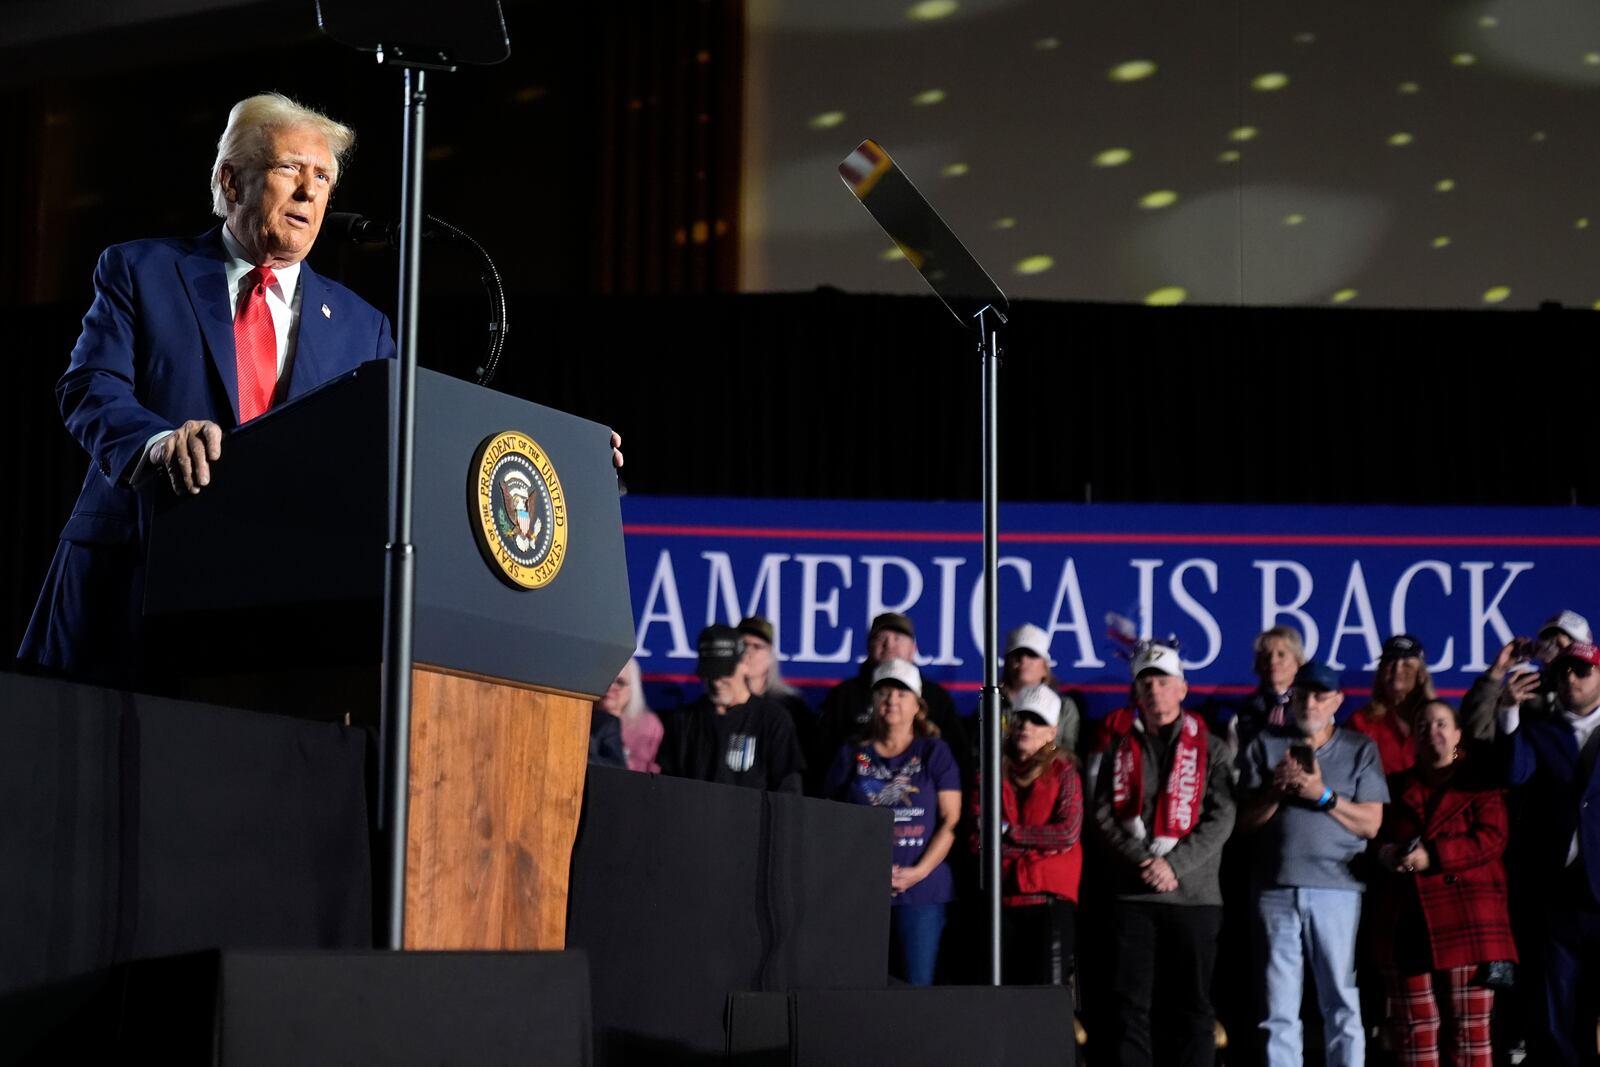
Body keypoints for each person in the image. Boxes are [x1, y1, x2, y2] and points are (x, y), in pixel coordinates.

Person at [16, 93, 394, 688]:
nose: (309, 191)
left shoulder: (361, 325)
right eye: (290, 168)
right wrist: (156, 444)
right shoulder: (142, 270)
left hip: (281, 618)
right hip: (133, 584)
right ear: (231, 181)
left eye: (322, 177)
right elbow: (89, 386)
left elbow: (384, 460)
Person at [1090, 641, 1236, 1067]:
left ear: (1183, 688)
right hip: (1134, 897)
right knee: (1129, 1007)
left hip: (1194, 898)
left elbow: (1222, 816)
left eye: (1163, 681)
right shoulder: (1120, 749)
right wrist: (1142, 861)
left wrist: (1173, 865)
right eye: (1146, 682)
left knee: (1193, 1007)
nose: (1154, 690)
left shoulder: (1211, 748)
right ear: (1136, 693)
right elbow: (1103, 814)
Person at [1237, 661, 1388, 1067]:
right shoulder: (1264, 744)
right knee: (1278, 1008)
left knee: (1341, 998)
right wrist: (1275, 790)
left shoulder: (1360, 748)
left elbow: (1372, 824)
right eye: (1302, 695)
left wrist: (1321, 794)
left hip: (1336, 891)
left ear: (1337, 701)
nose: (1310, 703)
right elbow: (1243, 824)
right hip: (1275, 889)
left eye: (1320, 696)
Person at [1371, 699, 1516, 1067]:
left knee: (1470, 1033)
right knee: (1413, 1033)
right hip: (1407, 925)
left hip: (1469, 924)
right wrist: (1386, 854)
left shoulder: (1481, 784)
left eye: (1440, 724)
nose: (1431, 732)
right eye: (1422, 726)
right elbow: (1373, 838)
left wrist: (1432, 857)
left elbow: (1492, 839)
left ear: (1457, 735)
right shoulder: (1392, 788)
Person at [824, 657, 962, 986]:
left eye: (902, 693)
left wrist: (918, 872)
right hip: (862, 891)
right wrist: (861, 870)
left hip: (921, 893)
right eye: (884, 692)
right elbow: (829, 815)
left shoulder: (934, 752)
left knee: (916, 989)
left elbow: (951, 820)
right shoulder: (852, 753)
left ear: (918, 704)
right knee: (861, 988)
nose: (892, 700)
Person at [1497, 639, 1600, 1064]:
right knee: (1557, 1004)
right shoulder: (1539, 730)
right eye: (1564, 671)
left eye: (1582, 670)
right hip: (1556, 890)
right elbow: (1513, 773)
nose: (1571, 678)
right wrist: (1507, 712)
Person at [970, 682, 1082, 987]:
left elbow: (1066, 833)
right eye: (1021, 718)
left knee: (1046, 996)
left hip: (1049, 903)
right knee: (997, 997)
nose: (1026, 726)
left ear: (1052, 732)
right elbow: (978, 838)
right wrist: (1035, 845)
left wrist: (1009, 833)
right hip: (1000, 899)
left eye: (1037, 721)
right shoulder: (990, 771)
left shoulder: (1065, 772)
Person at [812, 612, 971, 794]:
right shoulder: (843, 696)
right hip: (857, 811)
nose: (889, 645)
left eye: (898, 638)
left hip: (920, 811)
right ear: (868, 646)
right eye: (881, 638)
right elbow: (822, 760)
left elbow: (960, 761)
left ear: (913, 648)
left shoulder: (936, 697)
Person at [659, 624, 803, 793]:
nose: (716, 682)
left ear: (745, 663)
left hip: (752, 817)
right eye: (710, 673)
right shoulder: (684, 720)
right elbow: (666, 787)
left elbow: (788, 791)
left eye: (724, 673)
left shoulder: (773, 719)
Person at [1461, 609, 1591, 742]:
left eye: (1560, 644)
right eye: (1547, 640)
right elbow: (1478, 732)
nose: (1552, 648)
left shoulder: (1593, 692)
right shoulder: (1524, 689)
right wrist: (1497, 671)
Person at [1347, 634, 1435, 775]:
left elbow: (1456, 755)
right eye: (1390, 663)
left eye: (1406, 665)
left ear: (1421, 674)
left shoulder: (1439, 721)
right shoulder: (1361, 722)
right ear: (1380, 672)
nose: (1397, 670)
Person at [1218, 626, 1307, 761]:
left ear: (1298, 662)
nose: (1272, 661)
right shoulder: (1242, 714)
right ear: (1258, 665)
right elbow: (1233, 765)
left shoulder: (1314, 707)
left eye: (1281, 654)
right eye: (1266, 656)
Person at [737, 615, 816, 764]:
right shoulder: (721, 705)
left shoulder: (791, 709)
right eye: (743, 645)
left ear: (770, 656)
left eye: (757, 646)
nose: (748, 653)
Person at [1001, 623, 1081, 756]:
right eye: (1017, 654)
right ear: (1007, 662)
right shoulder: (990, 706)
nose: (1023, 660)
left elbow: (1069, 754)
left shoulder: (1065, 707)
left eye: (1032, 654)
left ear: (1045, 666)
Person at [593, 658, 662, 773]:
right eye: (606, 680)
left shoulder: (649, 726)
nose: (610, 687)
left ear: (633, 688)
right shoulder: (582, 720)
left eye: (620, 682)